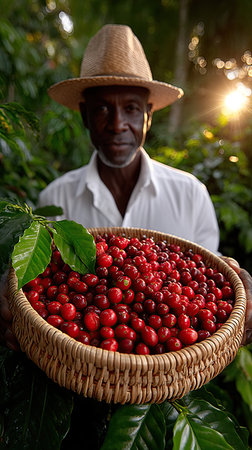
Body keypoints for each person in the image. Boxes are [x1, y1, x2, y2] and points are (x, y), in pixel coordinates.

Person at [0, 24, 251, 348]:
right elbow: (38, 282)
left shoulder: (190, 194)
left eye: (131, 109)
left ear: (148, 115)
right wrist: (11, 288)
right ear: (84, 116)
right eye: (102, 108)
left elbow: (212, 281)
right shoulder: (55, 197)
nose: (118, 124)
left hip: (170, 385)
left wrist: (239, 292)